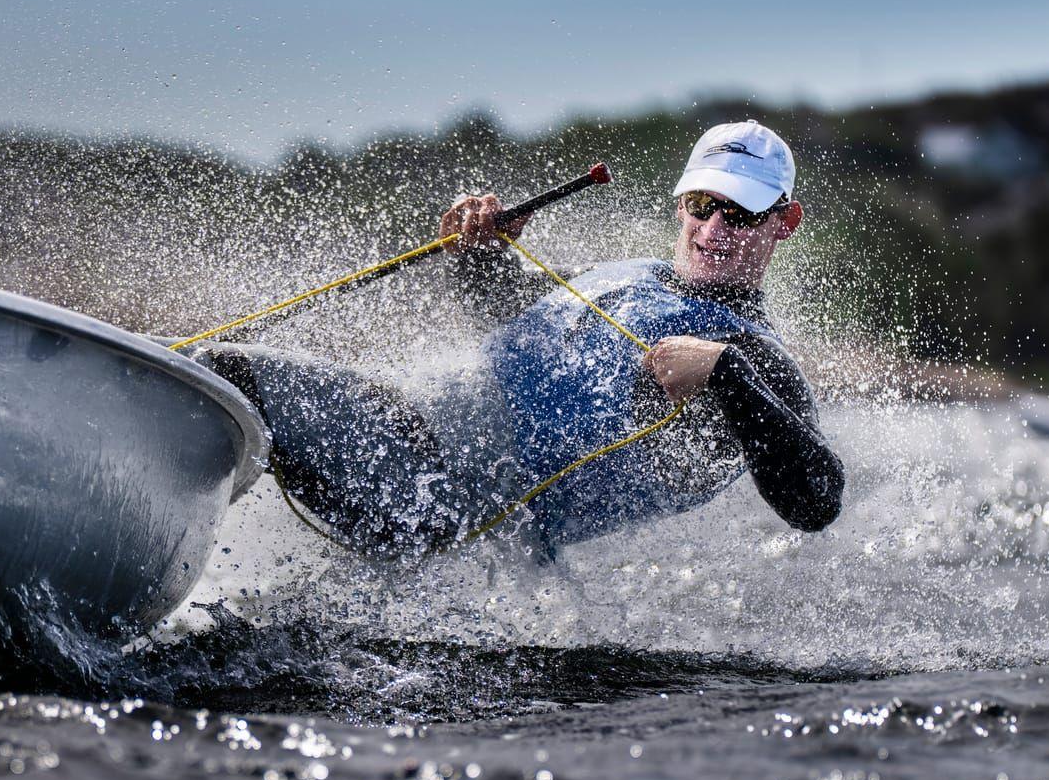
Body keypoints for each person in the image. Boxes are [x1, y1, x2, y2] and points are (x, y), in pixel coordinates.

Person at [193, 120, 844, 556]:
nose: (714, 229)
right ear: (681, 205)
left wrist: (725, 376)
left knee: (223, 372)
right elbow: (511, 324)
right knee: (212, 368)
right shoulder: (627, 277)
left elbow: (816, 503)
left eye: (741, 213)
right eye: (703, 205)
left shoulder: (756, 359)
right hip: (406, 437)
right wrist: (478, 253)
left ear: (784, 222)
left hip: (439, 507)